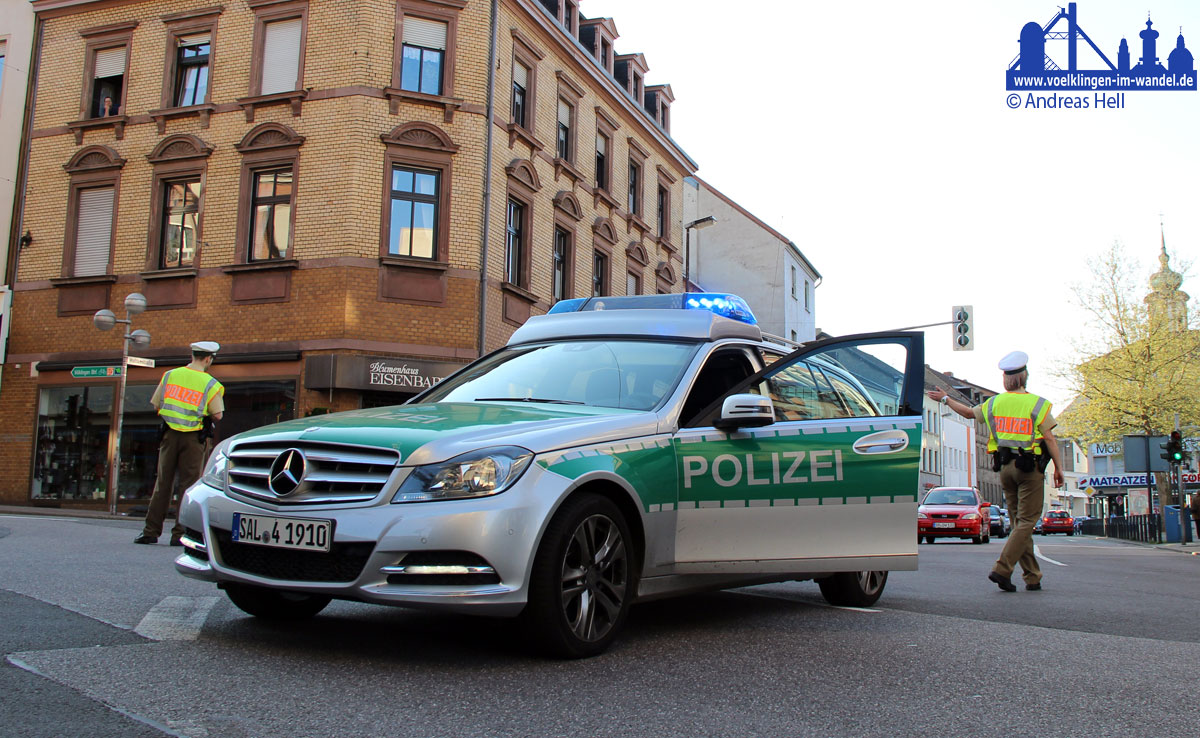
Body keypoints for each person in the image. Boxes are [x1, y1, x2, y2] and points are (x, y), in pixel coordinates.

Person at [929, 350, 1065, 593]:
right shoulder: (1037, 404)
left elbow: (970, 414)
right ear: (1025, 377)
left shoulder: (994, 403)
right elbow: (1050, 439)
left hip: (1004, 468)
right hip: (1030, 469)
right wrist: (1059, 469)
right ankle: (1002, 568)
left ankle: (1032, 576)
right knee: (1026, 522)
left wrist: (945, 399)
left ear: (1006, 380)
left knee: (1016, 524)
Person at [134, 341, 224, 545]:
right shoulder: (210, 383)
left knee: (163, 483)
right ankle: (180, 533)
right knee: (188, 485)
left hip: (169, 435)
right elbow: (217, 415)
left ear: (193, 355)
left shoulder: (170, 375)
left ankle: (150, 531)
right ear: (209, 359)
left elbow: (157, 404)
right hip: (194, 438)